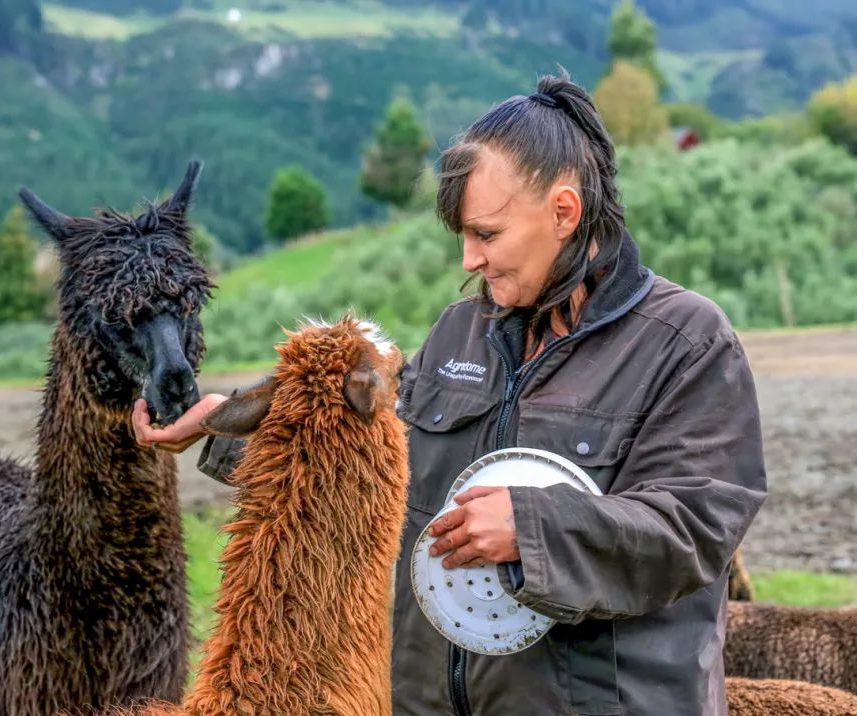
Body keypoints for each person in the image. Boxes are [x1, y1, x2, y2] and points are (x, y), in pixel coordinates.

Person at [133, 72, 767, 716]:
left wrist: (532, 529)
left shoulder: (687, 342)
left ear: (564, 212)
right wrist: (224, 428)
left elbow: (692, 528)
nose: (468, 259)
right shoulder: (457, 334)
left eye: (487, 235)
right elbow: (369, 487)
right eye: (463, 235)